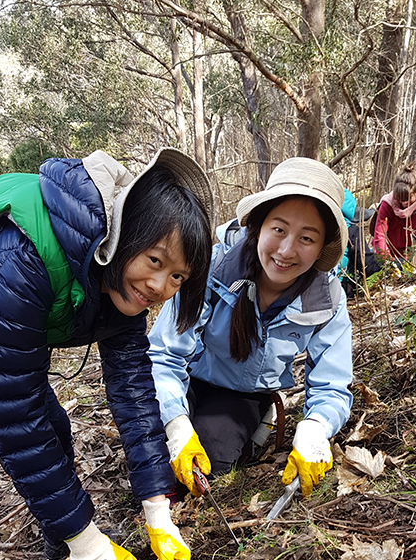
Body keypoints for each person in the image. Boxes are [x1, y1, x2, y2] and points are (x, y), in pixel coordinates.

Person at [0, 147, 213, 560]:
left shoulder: (116, 271)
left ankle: (62, 549)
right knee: (35, 424)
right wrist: (89, 545)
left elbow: (133, 391)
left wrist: (159, 512)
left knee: (56, 433)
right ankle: (73, 547)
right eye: (155, 261)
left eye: (178, 276)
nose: (160, 287)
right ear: (128, 234)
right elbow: (14, 416)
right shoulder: (21, 259)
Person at [148, 158, 353, 500]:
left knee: (209, 460)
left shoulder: (327, 299)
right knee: (153, 449)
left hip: (244, 394)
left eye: (307, 238)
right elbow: (164, 355)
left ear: (320, 248)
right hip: (190, 376)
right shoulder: (211, 267)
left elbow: (333, 385)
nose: (287, 251)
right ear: (258, 225)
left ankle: (256, 422)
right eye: (279, 229)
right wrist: (176, 423)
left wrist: (317, 428)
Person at [371, 163, 416, 262]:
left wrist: (410, 264)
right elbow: (380, 236)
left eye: (408, 198)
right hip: (386, 255)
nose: (403, 202)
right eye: (399, 198)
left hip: (412, 257)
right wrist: (388, 262)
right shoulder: (387, 204)